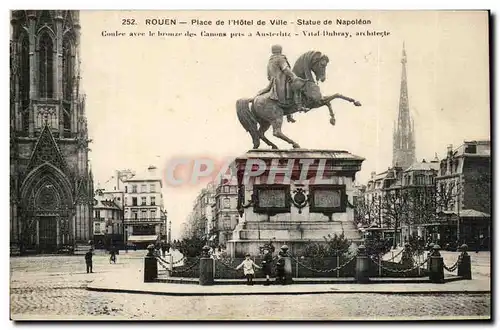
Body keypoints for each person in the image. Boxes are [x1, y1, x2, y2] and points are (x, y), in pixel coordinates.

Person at [257, 44, 308, 123]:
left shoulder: (270, 60)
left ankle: (289, 115)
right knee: (297, 85)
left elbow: (268, 75)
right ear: (280, 50)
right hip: (282, 82)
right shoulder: (280, 58)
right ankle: (299, 106)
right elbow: (286, 69)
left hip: (273, 83)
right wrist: (294, 77)